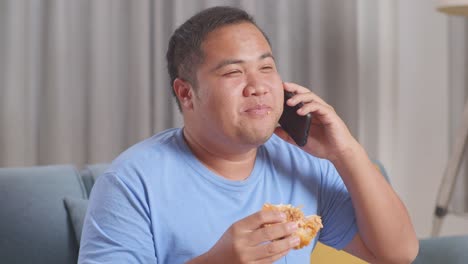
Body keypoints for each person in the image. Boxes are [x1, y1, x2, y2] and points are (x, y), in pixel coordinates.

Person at [78, 6, 418, 264]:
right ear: (186, 94)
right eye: (233, 72)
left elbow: (398, 253)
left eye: (266, 68)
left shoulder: (304, 162)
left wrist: (345, 150)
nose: (257, 87)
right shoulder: (131, 181)